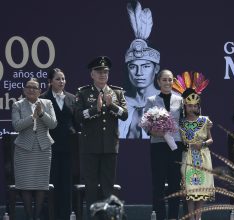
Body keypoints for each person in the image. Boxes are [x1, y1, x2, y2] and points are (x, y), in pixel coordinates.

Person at [74, 56, 128, 219]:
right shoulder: (83, 92)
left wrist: (111, 105)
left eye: (105, 71)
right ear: (92, 74)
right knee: (90, 187)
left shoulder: (117, 92)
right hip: (90, 147)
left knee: (107, 187)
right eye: (99, 71)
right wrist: (94, 109)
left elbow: (125, 115)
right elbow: (77, 117)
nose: (102, 74)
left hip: (110, 147)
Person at [11, 78, 57, 220]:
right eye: (28, 87)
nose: (31, 89)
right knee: (25, 186)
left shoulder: (47, 103)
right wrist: (33, 117)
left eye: (34, 88)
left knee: (40, 186)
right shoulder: (17, 105)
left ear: (39, 91)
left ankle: (36, 217)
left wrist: (42, 114)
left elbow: (53, 124)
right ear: (24, 90)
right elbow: (17, 126)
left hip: (43, 149)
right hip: (24, 149)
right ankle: (29, 217)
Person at [144, 69, 183, 220]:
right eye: (164, 80)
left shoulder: (180, 100)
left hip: (175, 146)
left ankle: (173, 217)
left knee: (175, 184)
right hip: (158, 145)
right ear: (158, 82)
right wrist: (156, 132)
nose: (167, 82)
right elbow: (146, 125)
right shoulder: (151, 100)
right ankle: (159, 216)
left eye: (170, 80)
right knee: (158, 184)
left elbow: (185, 122)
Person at [40, 68, 78, 220]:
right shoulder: (43, 98)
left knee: (66, 185)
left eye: (63, 79)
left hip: (69, 148)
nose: (61, 81)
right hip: (50, 147)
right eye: (58, 79)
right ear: (50, 81)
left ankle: (65, 216)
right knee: (51, 184)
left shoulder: (72, 98)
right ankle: (49, 216)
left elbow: (77, 123)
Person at [119, 1, 161, 139]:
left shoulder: (169, 100)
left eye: (146, 66)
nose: (139, 73)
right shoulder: (117, 101)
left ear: (156, 69)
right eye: (133, 66)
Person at [179, 87, 214, 220]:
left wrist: (202, 144)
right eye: (189, 106)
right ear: (185, 106)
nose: (192, 108)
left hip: (202, 157)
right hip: (187, 156)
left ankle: (198, 217)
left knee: (201, 188)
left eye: (194, 106)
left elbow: (211, 139)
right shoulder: (180, 122)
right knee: (189, 188)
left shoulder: (204, 121)